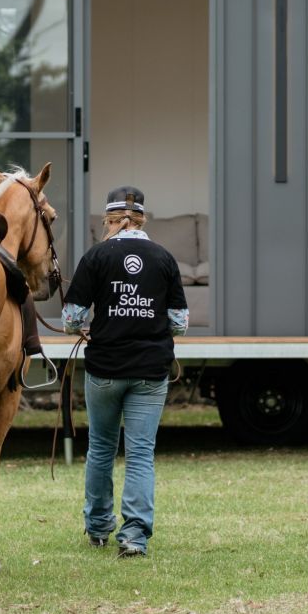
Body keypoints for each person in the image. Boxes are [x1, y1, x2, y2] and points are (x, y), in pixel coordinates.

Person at [62, 186, 189, 557]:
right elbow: (179, 323)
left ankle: (99, 527)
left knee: (101, 448)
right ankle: (134, 536)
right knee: (140, 453)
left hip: (105, 368)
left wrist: (88, 327)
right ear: (143, 219)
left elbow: (72, 318)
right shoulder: (164, 258)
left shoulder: (97, 255)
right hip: (151, 371)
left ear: (110, 221)